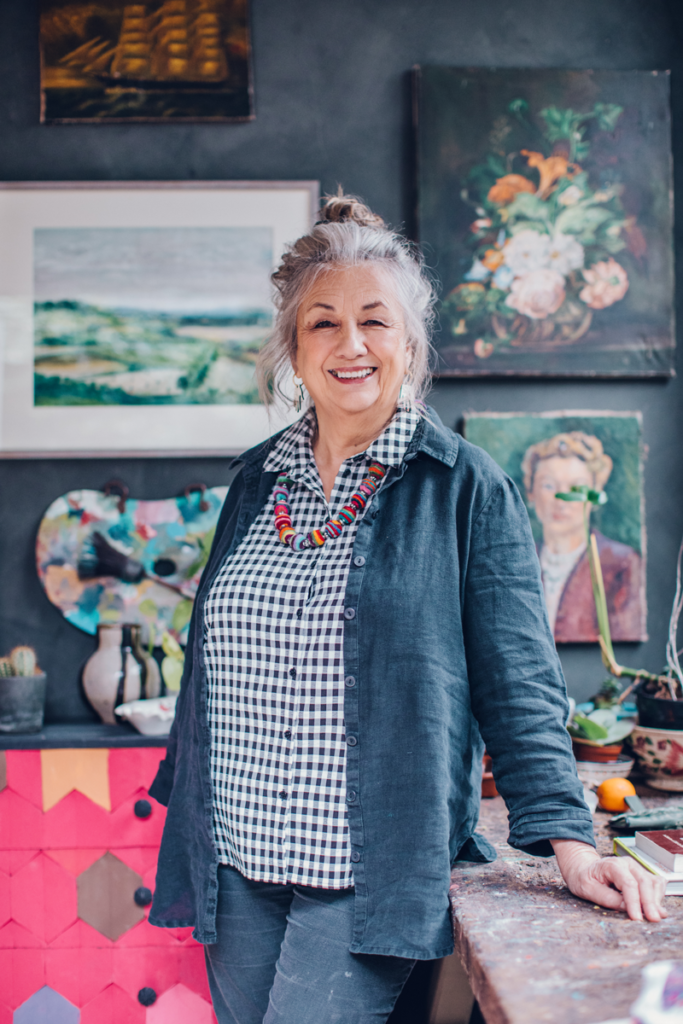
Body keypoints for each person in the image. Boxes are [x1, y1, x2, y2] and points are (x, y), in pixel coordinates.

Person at [148, 194, 666, 1024]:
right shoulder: (255, 482)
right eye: (322, 323)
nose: (349, 344)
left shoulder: (463, 486)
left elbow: (519, 679)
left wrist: (570, 841)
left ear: (410, 340)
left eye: (373, 321)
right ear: (293, 346)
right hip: (236, 857)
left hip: (371, 865)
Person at [523, 432, 643, 642]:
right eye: (548, 486)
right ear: (531, 492)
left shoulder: (620, 563)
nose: (561, 499)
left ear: (594, 493)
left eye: (576, 488)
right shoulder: (519, 561)